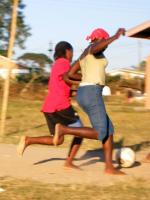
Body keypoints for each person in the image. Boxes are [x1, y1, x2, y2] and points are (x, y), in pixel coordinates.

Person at [53, 28, 126, 175]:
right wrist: (115, 37)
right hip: (92, 93)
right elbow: (97, 46)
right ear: (99, 39)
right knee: (100, 132)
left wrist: (87, 77)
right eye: (104, 42)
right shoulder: (93, 49)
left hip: (85, 92)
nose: (106, 46)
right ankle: (63, 130)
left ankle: (109, 167)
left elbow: (68, 75)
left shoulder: (84, 54)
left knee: (109, 130)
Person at [17, 41, 83, 169]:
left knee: (57, 139)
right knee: (81, 131)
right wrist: (87, 78)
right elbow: (69, 76)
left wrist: (76, 91)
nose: (72, 55)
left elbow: (62, 85)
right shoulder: (64, 63)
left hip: (49, 107)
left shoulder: (56, 65)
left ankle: (28, 140)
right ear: (67, 51)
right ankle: (69, 162)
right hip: (61, 106)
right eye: (72, 52)